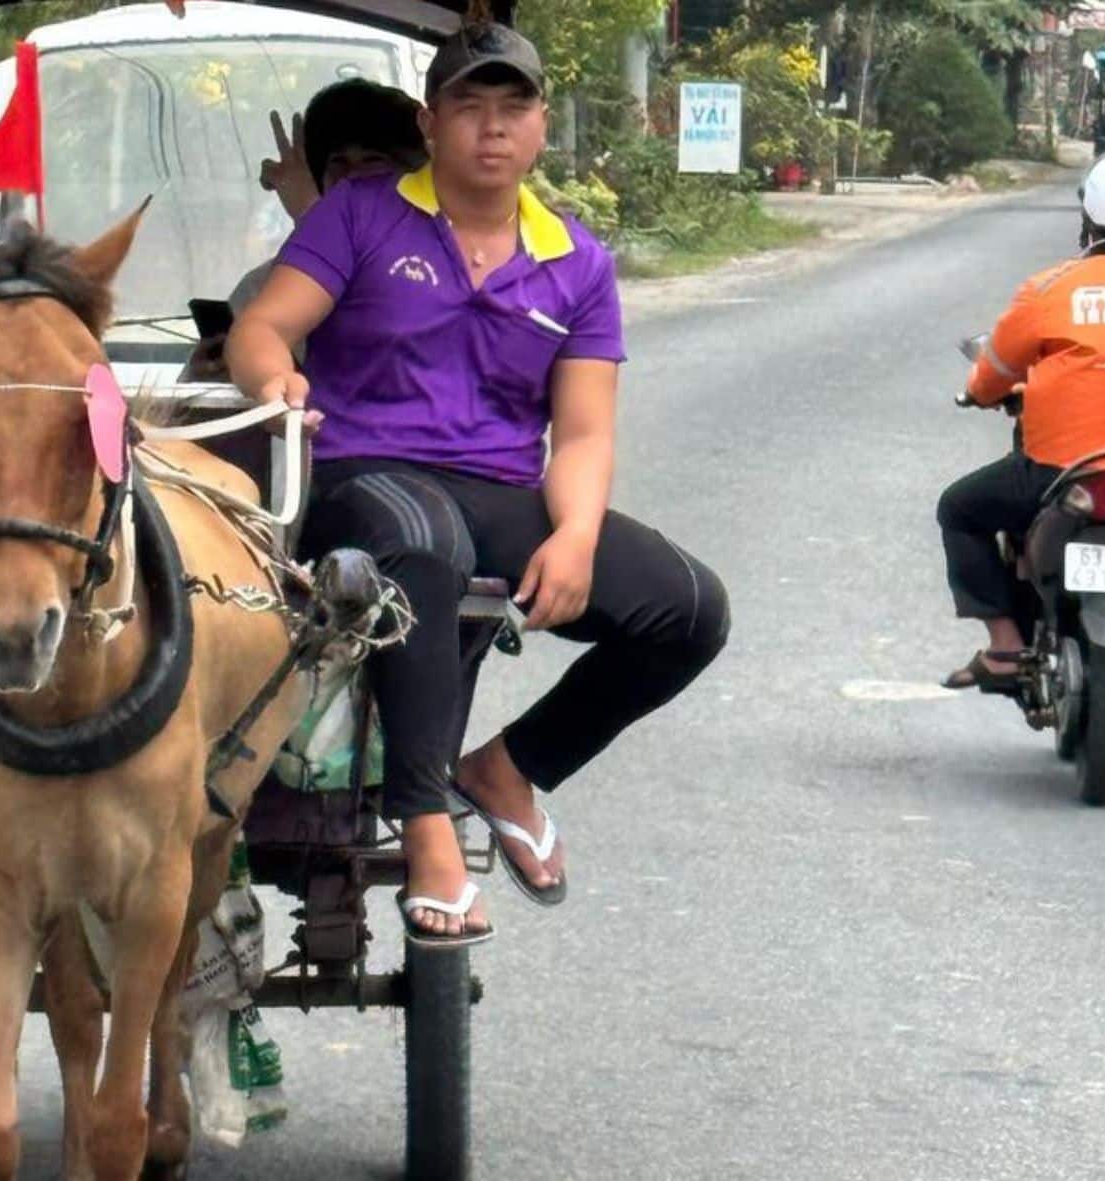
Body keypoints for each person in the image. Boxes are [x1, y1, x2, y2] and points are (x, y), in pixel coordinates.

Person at [226, 24, 730, 945]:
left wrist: (574, 534)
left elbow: (581, 431)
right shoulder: (363, 214)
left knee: (687, 608)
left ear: (541, 129)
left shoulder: (577, 263)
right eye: (469, 107)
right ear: (431, 123)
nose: (492, 129)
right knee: (425, 546)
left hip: (498, 488)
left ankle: (506, 766)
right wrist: (274, 381)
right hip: (358, 473)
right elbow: (259, 328)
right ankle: (427, 829)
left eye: (513, 109)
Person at [939, 150, 1105, 695]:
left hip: (1058, 473)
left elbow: (991, 374)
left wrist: (975, 393)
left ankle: (1003, 648)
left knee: (959, 509)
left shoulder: (1049, 289)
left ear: (1088, 216)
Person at [183, 78, 425, 381]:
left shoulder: (444, 268)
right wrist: (202, 376)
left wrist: (314, 221)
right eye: (337, 162)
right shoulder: (263, 287)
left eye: (372, 161)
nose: (352, 177)